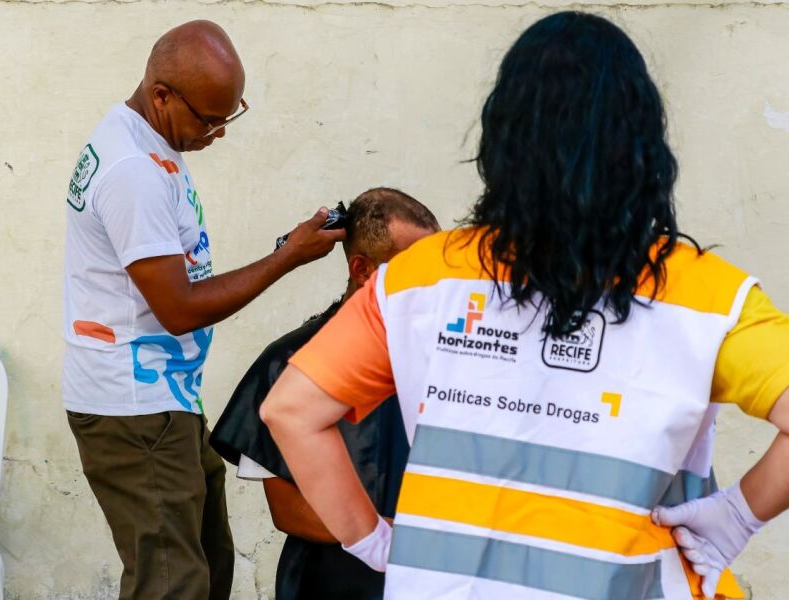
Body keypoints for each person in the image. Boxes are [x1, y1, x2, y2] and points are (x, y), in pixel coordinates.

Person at [260, 12, 789, 600]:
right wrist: (738, 515)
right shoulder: (707, 296)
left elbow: (291, 410)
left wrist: (376, 543)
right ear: (642, 145)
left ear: (502, 138)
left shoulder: (420, 278)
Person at [62, 20, 344, 600]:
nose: (217, 134)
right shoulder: (133, 172)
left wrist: (285, 251)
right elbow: (180, 309)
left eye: (228, 117)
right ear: (162, 95)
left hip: (165, 397)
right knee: (173, 584)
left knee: (210, 563)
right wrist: (287, 258)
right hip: (134, 408)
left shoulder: (148, 139)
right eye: (210, 119)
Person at [210, 188, 440, 599]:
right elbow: (288, 511)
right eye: (414, 270)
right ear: (363, 269)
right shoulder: (286, 364)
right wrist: (396, 543)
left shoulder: (452, 357)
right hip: (326, 586)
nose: (434, 286)